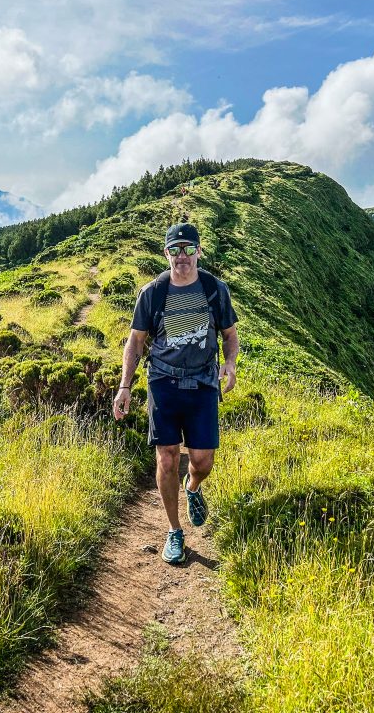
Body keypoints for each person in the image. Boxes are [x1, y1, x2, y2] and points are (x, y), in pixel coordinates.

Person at [113, 222, 239, 564]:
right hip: (163, 383)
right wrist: (125, 385)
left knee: (202, 461)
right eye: (174, 249)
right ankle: (174, 530)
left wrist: (229, 364)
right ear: (165, 253)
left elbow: (229, 334)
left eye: (187, 249)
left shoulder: (214, 289)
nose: (181, 256)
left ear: (198, 251)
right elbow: (135, 342)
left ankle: (193, 488)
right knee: (167, 457)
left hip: (202, 384)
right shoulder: (152, 293)